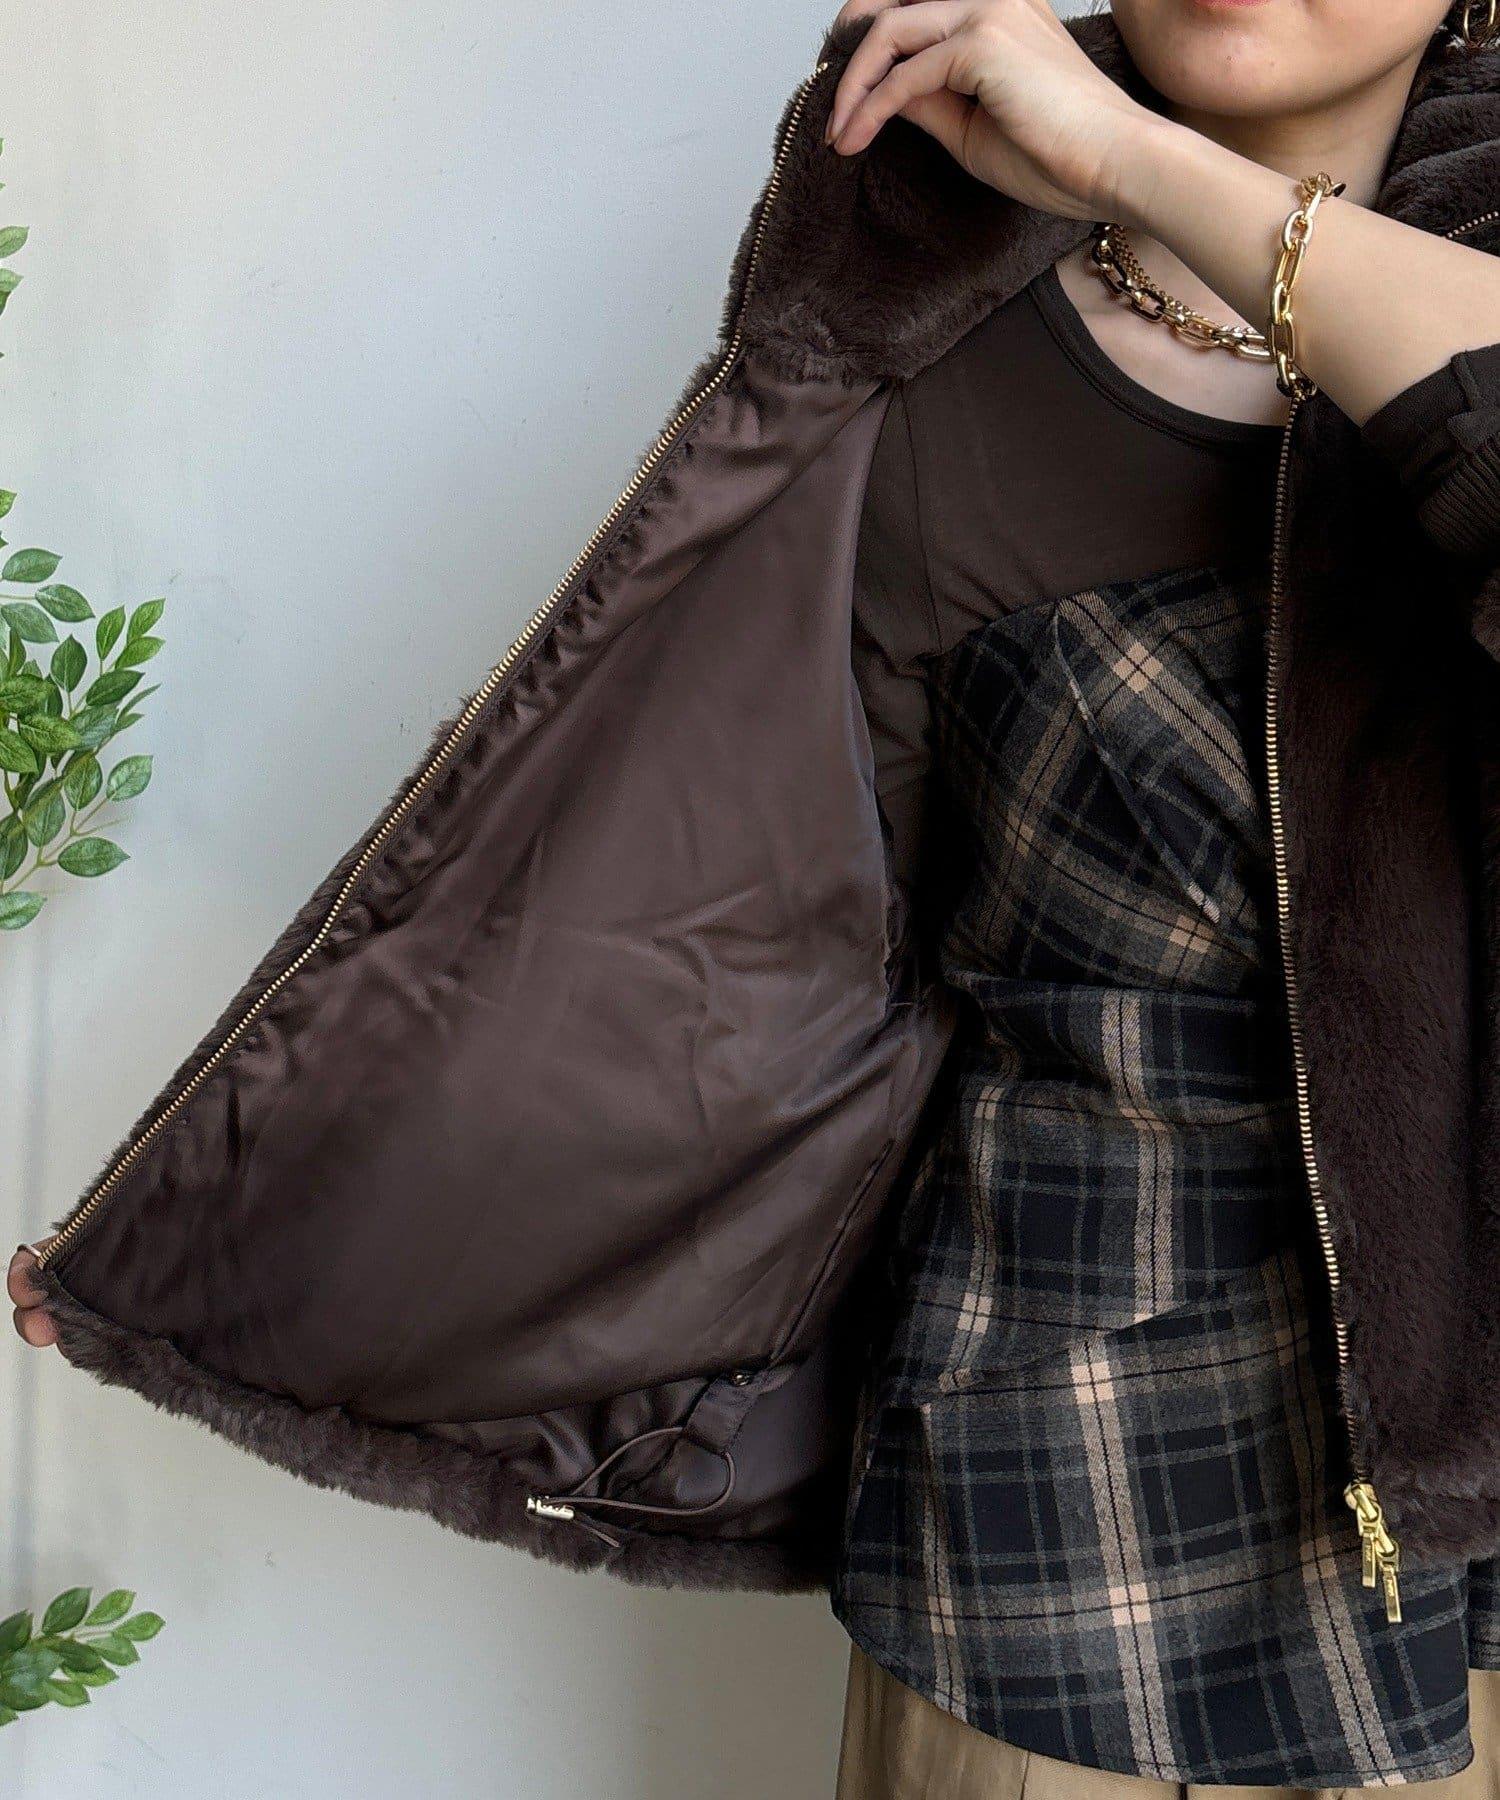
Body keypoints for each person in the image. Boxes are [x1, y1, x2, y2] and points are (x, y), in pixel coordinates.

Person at [12, 3, 1500, 1793]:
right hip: (1050, 1517)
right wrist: (248, 1253)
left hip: (1473, 1527)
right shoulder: (931, 312)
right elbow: (732, 954)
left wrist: (1139, 163)